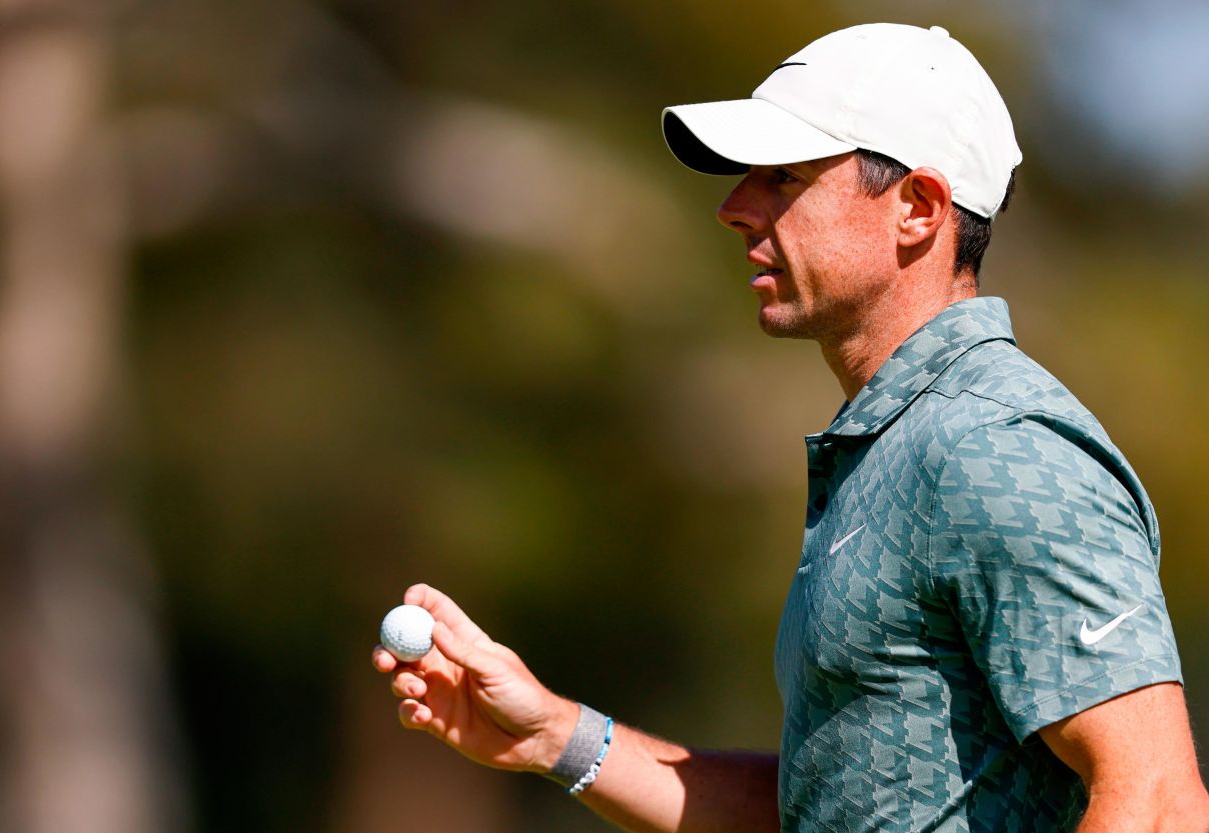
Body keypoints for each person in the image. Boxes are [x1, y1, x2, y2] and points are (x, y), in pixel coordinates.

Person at [371, 23, 1209, 833]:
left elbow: (1160, 801)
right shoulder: (897, 441)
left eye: (785, 177)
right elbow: (834, 807)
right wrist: (555, 733)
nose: (735, 208)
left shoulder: (998, 445)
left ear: (918, 207)